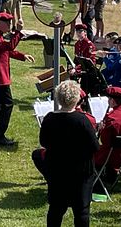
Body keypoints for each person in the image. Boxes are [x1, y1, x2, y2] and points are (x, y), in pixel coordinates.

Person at [33, 80, 99, 227]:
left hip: (57, 169)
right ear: (76, 99)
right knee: (81, 210)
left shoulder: (50, 118)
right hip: (81, 171)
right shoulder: (83, 120)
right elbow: (94, 146)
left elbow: (44, 142)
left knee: (56, 208)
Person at [0, 12, 35, 146]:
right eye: (8, 23)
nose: (9, 26)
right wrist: (18, 31)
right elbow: (9, 46)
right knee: (7, 104)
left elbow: (6, 50)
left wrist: (22, 56)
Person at [94, 86, 121, 192]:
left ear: (113, 101)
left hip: (111, 154)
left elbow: (104, 141)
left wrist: (100, 129)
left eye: (109, 99)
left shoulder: (111, 118)